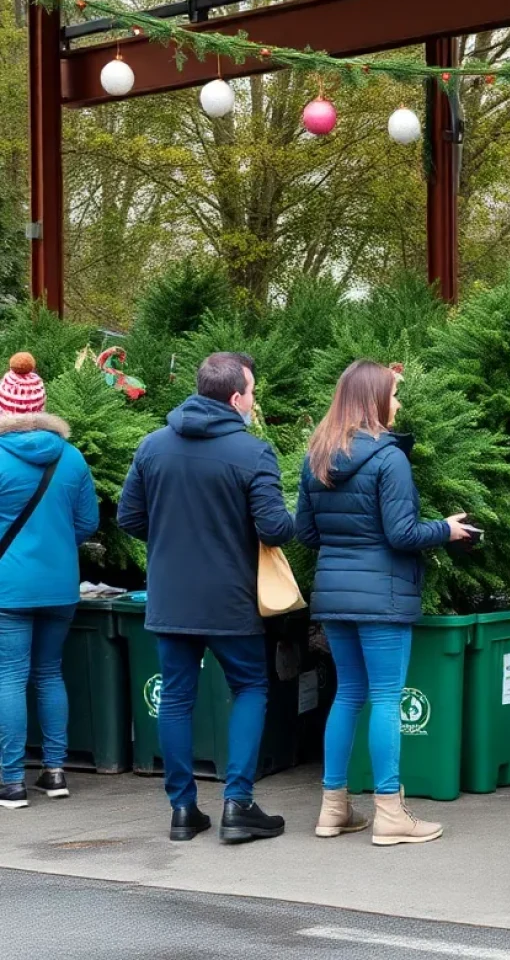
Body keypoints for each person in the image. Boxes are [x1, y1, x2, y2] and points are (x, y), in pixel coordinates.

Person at [118, 352, 294, 843]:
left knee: (175, 698)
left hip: (170, 598)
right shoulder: (253, 453)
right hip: (229, 599)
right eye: (253, 394)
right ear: (236, 398)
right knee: (251, 688)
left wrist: (174, 536)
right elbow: (275, 528)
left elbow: (129, 519)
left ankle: (182, 810)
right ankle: (238, 805)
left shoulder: (152, 446)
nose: (253, 402)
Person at [296, 360, 471, 846]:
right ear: (373, 399)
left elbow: (306, 532)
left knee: (348, 694)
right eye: (394, 395)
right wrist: (447, 529)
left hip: (334, 595)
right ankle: (390, 814)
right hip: (383, 597)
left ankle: (333, 809)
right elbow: (402, 533)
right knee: (387, 698)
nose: (398, 404)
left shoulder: (317, 453)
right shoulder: (389, 458)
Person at [0, 353, 99, 810]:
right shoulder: (72, 457)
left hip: (8, 586)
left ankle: (10, 782)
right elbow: (87, 523)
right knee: (48, 672)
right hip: (60, 585)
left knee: (9, 678)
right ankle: (56, 772)